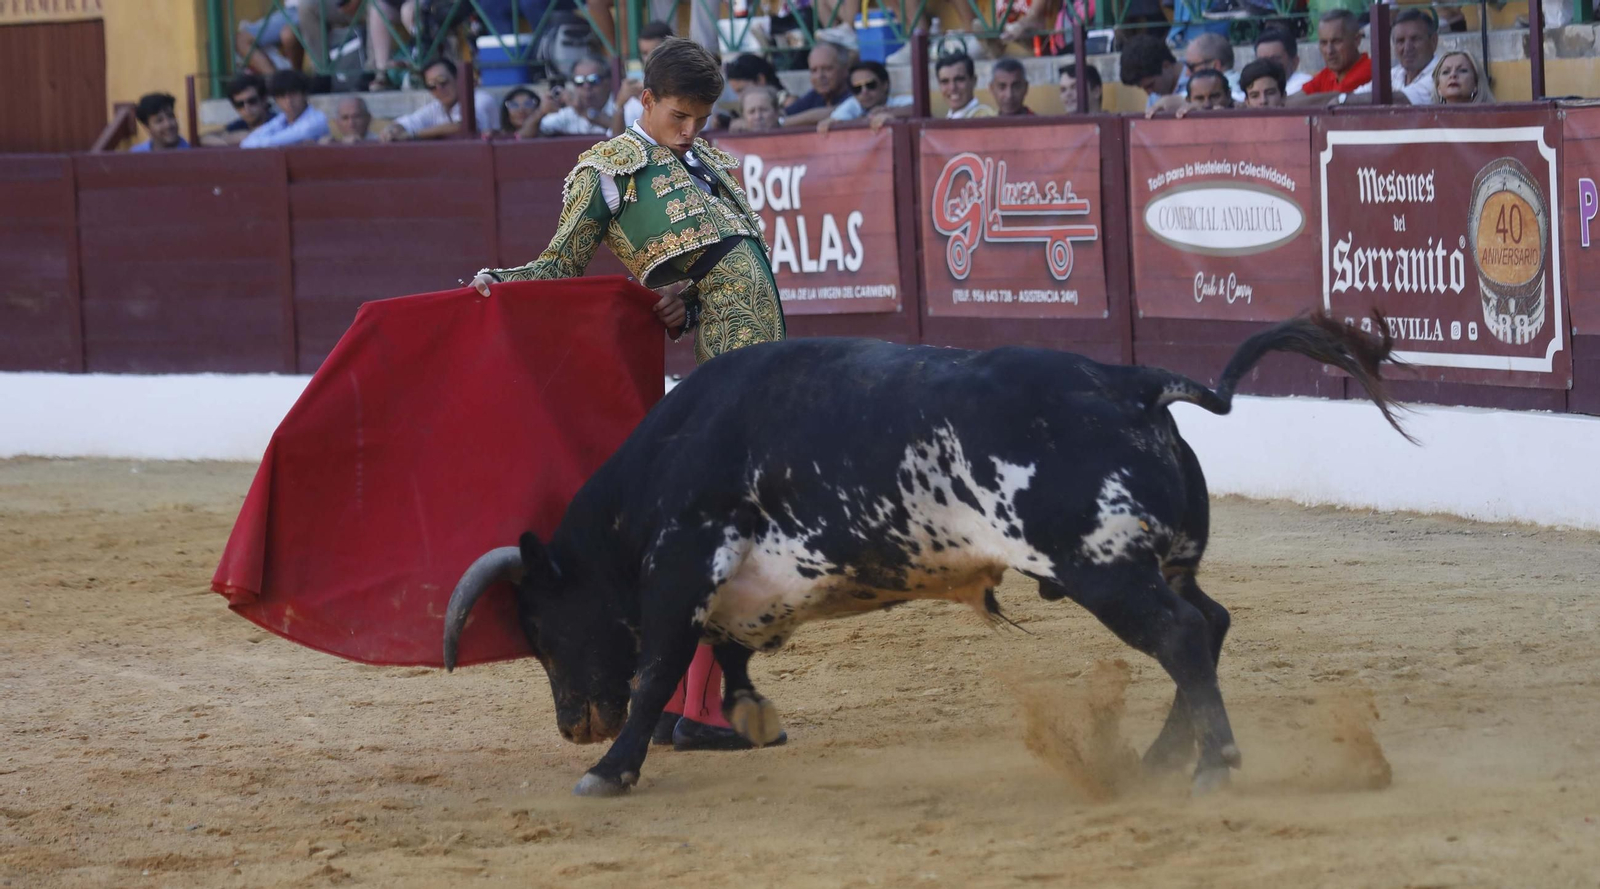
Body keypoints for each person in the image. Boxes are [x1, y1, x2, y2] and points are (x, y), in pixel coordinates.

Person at [467, 38, 787, 752]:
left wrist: (684, 306)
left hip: (751, 355)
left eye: (701, 118)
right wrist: (500, 280)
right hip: (731, 376)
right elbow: (558, 266)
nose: (690, 132)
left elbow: (714, 281)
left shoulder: (714, 165)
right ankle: (705, 707)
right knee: (728, 532)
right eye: (678, 116)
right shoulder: (609, 171)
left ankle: (684, 702)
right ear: (644, 100)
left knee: (735, 529)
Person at [380, 58, 498, 141]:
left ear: (458, 79)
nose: (439, 89)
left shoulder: (481, 98)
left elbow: (464, 125)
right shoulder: (436, 107)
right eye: (432, 86)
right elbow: (409, 122)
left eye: (443, 82)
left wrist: (412, 135)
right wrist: (393, 129)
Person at [1351, 8, 1441, 105]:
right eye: (1400, 41)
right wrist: (1338, 98)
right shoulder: (1395, 74)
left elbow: (1401, 99)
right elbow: (1356, 95)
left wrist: (1341, 100)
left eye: (1415, 39)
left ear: (1433, 41)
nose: (1407, 48)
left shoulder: (1443, 74)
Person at [1290, 9, 1372, 103]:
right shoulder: (1328, 74)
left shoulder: (1369, 70)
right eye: (1323, 43)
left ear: (1357, 40)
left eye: (1336, 41)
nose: (1329, 51)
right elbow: (1294, 99)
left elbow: (1336, 99)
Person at [527, 56, 616, 137]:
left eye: (593, 80)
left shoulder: (622, 105)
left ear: (608, 82)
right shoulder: (569, 111)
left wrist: (585, 112)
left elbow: (625, 132)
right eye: (579, 81)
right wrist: (541, 112)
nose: (586, 86)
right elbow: (525, 136)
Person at [818, 60, 913, 133]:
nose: (864, 91)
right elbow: (836, 120)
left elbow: (919, 107)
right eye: (857, 88)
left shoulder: (899, 101)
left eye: (870, 85)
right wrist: (867, 119)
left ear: (885, 85)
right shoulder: (853, 103)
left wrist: (891, 113)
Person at [242, 70, 330, 148]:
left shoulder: (316, 120)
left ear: (304, 94)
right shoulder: (281, 119)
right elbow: (246, 143)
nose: (288, 101)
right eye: (282, 96)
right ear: (276, 100)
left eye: (293, 94)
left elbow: (270, 142)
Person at [614, 21, 673, 136]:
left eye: (655, 52)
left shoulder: (683, 79)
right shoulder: (633, 85)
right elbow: (615, 138)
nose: (649, 58)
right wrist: (620, 104)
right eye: (645, 53)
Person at [783, 42, 854, 126]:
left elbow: (839, 112)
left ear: (845, 70)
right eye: (814, 70)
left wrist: (782, 122)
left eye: (827, 69)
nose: (819, 76)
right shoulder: (815, 95)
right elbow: (785, 113)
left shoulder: (859, 90)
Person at [205, 73, 275, 147]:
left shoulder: (277, 122)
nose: (246, 108)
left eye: (252, 101)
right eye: (240, 104)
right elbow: (204, 138)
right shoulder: (240, 125)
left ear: (264, 100)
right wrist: (228, 140)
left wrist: (248, 136)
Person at [1119, 34, 1182, 109]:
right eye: (1144, 88)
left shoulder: (1197, 79)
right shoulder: (1154, 96)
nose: (1149, 93)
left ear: (1166, 66)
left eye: (1151, 85)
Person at [1252, 28, 1313, 95]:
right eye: (1262, 61)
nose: (1267, 66)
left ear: (1294, 62)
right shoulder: (1247, 89)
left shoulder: (1307, 86)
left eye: (1274, 60)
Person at [937, 52, 996, 119]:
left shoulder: (986, 119)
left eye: (959, 80)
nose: (952, 87)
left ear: (973, 81)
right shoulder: (947, 119)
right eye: (945, 82)